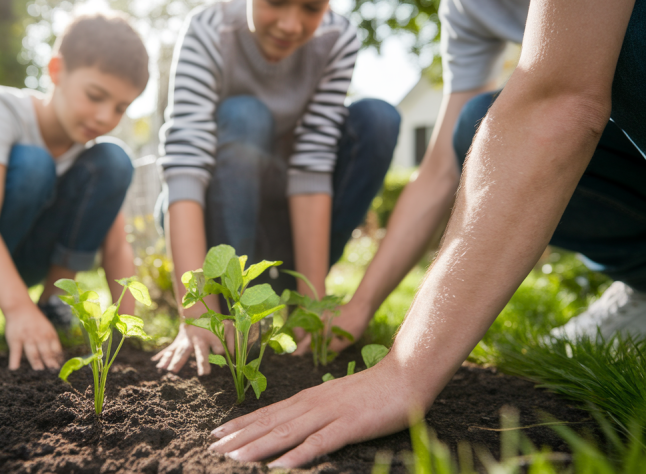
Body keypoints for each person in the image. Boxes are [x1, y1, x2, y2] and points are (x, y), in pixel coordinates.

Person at [206, 0, 645, 468]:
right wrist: (359, 306)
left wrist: (406, 372)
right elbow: (439, 171)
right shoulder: (466, 10)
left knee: (622, 43)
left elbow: (562, 101)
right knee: (476, 121)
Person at [152, 0, 401, 376]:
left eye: (311, 9)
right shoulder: (210, 28)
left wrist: (309, 302)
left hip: (288, 217)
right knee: (245, 115)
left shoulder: (337, 37)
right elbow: (186, 162)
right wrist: (196, 311)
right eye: (277, 3)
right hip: (218, 212)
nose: (290, 24)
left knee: (378, 119)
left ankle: (288, 291)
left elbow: (313, 164)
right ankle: (233, 302)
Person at [0, 11, 149, 371]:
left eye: (120, 107)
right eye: (95, 95)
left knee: (115, 158)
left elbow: (114, 244)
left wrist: (129, 333)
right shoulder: (0, 108)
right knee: (35, 164)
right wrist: (17, 309)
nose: (104, 117)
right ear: (57, 71)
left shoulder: (93, 155)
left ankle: (55, 302)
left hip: (24, 254)